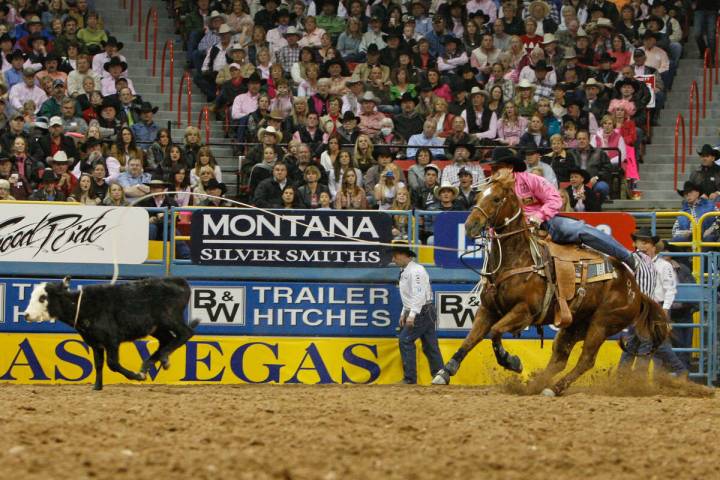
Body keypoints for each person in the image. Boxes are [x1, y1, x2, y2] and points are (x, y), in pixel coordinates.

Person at [489, 148, 640, 271]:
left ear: (509, 168)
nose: (493, 172)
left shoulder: (531, 180)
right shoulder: (492, 190)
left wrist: (539, 216)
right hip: (511, 231)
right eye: (493, 168)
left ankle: (628, 257)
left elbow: (554, 199)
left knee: (580, 229)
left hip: (544, 223)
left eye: (497, 168)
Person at [618, 228, 688, 378]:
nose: (642, 246)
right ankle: (680, 371)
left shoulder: (664, 265)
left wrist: (665, 309)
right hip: (639, 309)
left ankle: (631, 377)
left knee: (643, 343)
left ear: (653, 246)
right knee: (650, 343)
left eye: (646, 242)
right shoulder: (634, 263)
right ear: (635, 244)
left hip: (655, 309)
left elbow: (670, 289)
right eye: (639, 242)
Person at [392, 239, 444, 385]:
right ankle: (440, 375)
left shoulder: (415, 271)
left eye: (395, 256)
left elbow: (418, 294)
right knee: (429, 345)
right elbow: (411, 295)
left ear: (402, 255)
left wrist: (411, 314)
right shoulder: (409, 270)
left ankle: (410, 378)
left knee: (405, 339)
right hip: (425, 309)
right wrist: (405, 312)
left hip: (421, 310)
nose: (393, 259)